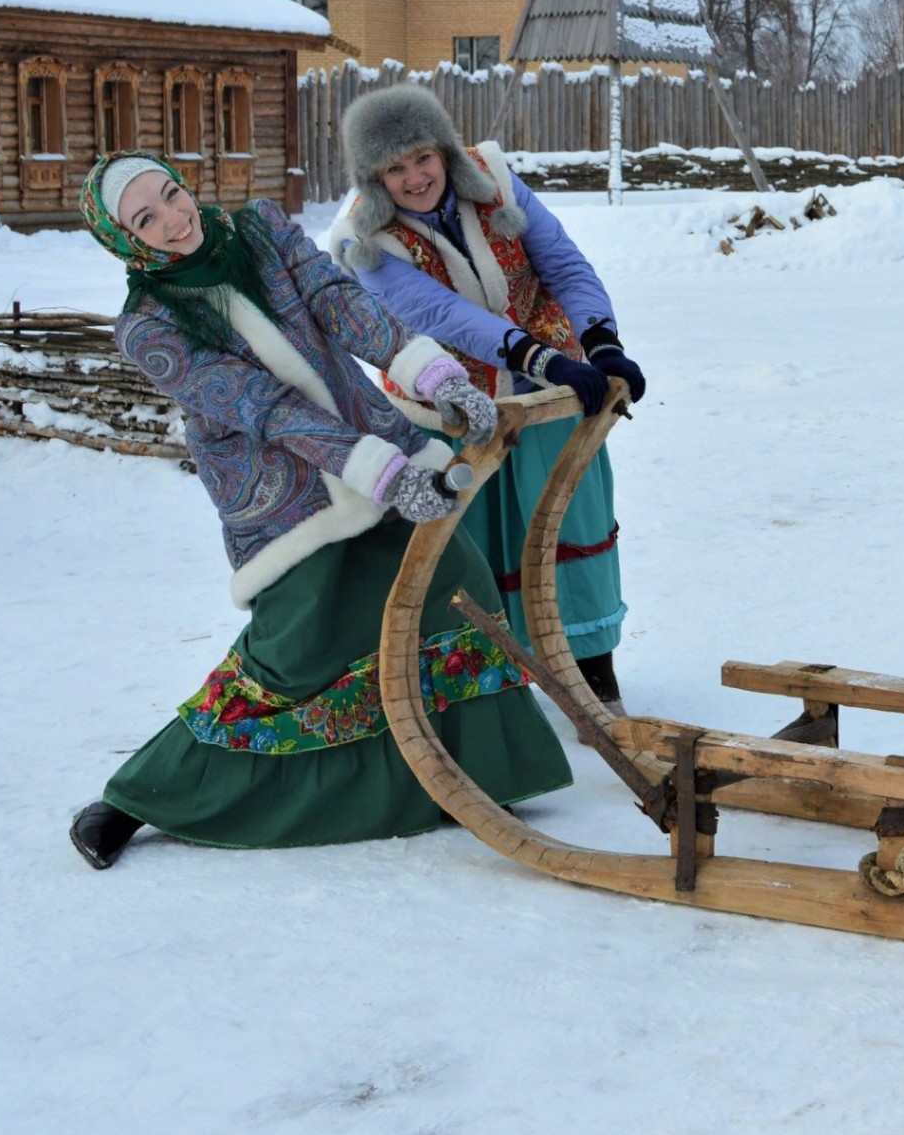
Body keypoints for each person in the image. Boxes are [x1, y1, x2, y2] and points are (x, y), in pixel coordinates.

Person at [67, 153, 572, 869]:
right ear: (126, 239)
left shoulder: (261, 229)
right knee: (294, 651)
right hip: (283, 495)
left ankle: (483, 774)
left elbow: (343, 303)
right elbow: (260, 405)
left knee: (457, 591)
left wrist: (432, 374)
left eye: (171, 194)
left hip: (375, 439)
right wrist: (383, 473)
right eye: (145, 218)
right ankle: (137, 799)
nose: (173, 219)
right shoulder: (149, 325)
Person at [326, 86, 642, 721]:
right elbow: (444, 316)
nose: (415, 177)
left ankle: (590, 668)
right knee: (476, 542)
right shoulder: (365, 241)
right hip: (453, 410)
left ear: (442, 149)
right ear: (374, 177)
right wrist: (538, 357)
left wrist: (601, 342)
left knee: (570, 522)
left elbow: (561, 261)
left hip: (553, 396)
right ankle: (493, 680)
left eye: (422, 157)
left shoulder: (493, 178)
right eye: (395, 168)